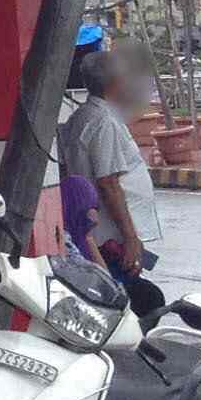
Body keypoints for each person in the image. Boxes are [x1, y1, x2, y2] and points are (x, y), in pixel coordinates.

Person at [59, 44, 168, 328]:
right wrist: (131, 238)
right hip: (110, 236)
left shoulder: (87, 117)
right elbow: (108, 183)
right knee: (135, 301)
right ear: (116, 83)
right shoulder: (102, 121)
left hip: (101, 233)